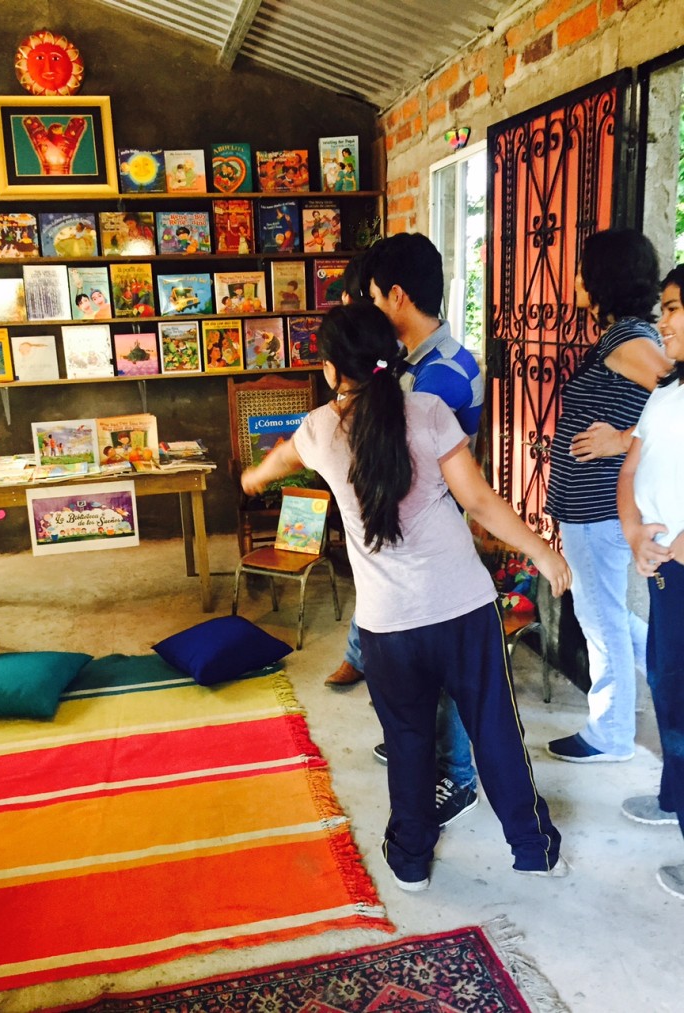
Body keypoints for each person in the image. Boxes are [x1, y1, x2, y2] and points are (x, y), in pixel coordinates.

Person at [242, 301, 571, 888]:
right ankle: (533, 850)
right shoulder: (429, 412)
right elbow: (480, 502)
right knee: (495, 729)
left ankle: (413, 861)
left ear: (329, 369)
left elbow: (282, 458)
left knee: (409, 740)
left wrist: (254, 477)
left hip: (387, 625)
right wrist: (542, 551)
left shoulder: (319, 430)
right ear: (388, 354)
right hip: (463, 610)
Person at [326, 233, 485, 831]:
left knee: (437, 669)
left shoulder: (435, 378)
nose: (367, 308)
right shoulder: (414, 366)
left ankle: (458, 776)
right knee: (412, 664)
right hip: (407, 539)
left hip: (428, 543)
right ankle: (418, 743)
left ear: (397, 296)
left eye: (370, 297)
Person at [545, 229, 671, 763]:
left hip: (597, 512)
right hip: (592, 510)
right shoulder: (624, 336)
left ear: (603, 279)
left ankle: (611, 734)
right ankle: (670, 670)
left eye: (583, 269)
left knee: (600, 622)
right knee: (607, 614)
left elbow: (679, 395)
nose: (574, 279)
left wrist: (621, 440)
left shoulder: (627, 342)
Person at [617, 264, 684, 900]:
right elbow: (632, 467)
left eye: (671, 308)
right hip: (667, 568)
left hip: (679, 562)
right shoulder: (665, 394)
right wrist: (637, 535)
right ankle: (675, 797)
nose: (660, 321)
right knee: (666, 682)